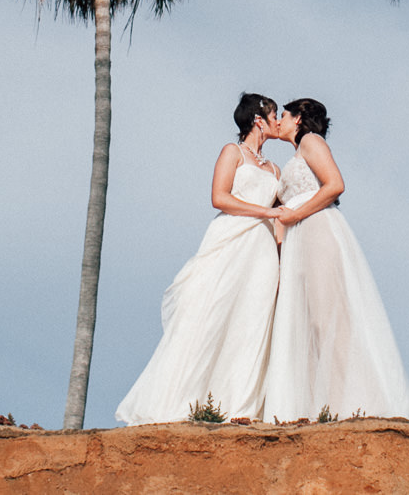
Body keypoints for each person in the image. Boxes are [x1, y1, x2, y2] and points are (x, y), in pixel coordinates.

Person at [115, 93, 291, 425]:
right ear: (258, 120)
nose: (277, 120)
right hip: (229, 241)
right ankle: (181, 405)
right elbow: (219, 197)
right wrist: (265, 210)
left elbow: (280, 218)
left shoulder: (275, 168)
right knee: (209, 315)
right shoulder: (232, 152)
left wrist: (281, 259)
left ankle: (239, 409)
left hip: (262, 251)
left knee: (252, 323)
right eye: (272, 114)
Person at [259, 97, 409, 422]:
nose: (279, 120)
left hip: (317, 231)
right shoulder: (293, 154)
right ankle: (322, 404)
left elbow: (335, 184)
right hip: (298, 240)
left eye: (284, 115)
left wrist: (294, 216)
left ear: (300, 117)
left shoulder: (311, 141)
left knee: (328, 317)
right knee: (311, 320)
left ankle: (350, 403)